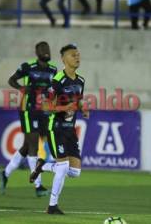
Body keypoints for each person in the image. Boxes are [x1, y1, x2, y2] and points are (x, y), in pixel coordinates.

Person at [29, 44, 89, 214]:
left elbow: (79, 100)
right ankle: (52, 206)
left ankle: (43, 166)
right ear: (63, 59)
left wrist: (83, 108)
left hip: (70, 130)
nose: (77, 57)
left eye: (78, 54)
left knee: (75, 172)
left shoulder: (81, 81)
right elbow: (46, 105)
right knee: (62, 167)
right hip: (56, 128)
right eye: (72, 55)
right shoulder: (57, 80)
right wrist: (64, 108)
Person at [0, 41, 57, 197]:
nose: (46, 51)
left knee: (26, 146)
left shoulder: (53, 70)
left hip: (43, 111)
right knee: (34, 146)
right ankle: (38, 186)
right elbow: (12, 80)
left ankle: (5, 174)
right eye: (42, 49)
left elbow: (53, 90)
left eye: (48, 48)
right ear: (37, 53)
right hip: (28, 110)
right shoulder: (28, 67)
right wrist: (21, 88)